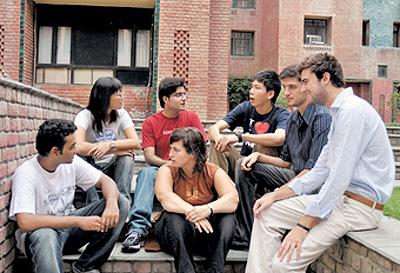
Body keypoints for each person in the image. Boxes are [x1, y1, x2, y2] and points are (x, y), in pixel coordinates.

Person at [245, 53, 395, 273]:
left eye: (306, 82)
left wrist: (303, 225)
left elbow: (338, 179)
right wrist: (275, 195)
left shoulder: (352, 113)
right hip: (340, 201)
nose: (303, 88)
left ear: (325, 78)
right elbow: (320, 171)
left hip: (358, 209)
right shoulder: (338, 113)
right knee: (266, 212)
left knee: (283, 264)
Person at [9, 119, 129, 273]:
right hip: (40, 236)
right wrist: (79, 221)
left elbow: (106, 181)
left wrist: (111, 204)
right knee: (45, 235)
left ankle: (84, 267)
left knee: (121, 202)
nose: (76, 149)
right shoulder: (26, 174)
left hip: (69, 231)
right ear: (55, 151)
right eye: (72, 146)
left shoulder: (72, 163)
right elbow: (25, 222)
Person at [232, 65, 332, 249]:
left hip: (314, 184)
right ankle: (246, 233)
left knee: (271, 204)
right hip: (294, 174)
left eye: (292, 87)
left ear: (305, 87)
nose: (286, 93)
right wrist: (258, 156)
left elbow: (314, 171)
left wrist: (277, 194)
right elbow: (286, 162)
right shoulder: (293, 120)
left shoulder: (322, 118)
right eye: (284, 87)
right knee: (243, 165)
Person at [122, 77, 207, 253]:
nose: (184, 98)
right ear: (166, 99)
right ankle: (137, 229)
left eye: (184, 94)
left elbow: (202, 149)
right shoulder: (151, 122)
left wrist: (183, 165)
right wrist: (169, 165)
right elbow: (149, 156)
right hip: (163, 170)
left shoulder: (191, 118)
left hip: (189, 171)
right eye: (178, 95)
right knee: (146, 173)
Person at [154, 128, 239, 273]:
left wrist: (207, 210)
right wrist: (193, 213)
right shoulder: (166, 170)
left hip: (204, 235)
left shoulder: (213, 171)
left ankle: (214, 270)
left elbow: (232, 199)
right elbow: (165, 197)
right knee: (173, 216)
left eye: (176, 150)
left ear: (192, 152)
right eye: (171, 149)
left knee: (228, 219)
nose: (170, 154)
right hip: (175, 236)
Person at [208, 70, 290, 179]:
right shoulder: (245, 108)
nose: (251, 91)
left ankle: (259, 192)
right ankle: (220, 188)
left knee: (262, 144)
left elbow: (279, 138)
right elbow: (213, 128)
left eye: (257, 88)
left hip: (266, 165)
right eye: (251, 87)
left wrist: (241, 137)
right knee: (216, 143)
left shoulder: (281, 114)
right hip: (242, 161)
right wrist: (219, 139)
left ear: (270, 94)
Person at [74, 76, 140, 204]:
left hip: (110, 167)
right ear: (105, 96)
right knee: (78, 156)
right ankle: (93, 201)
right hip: (90, 166)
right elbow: (77, 146)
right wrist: (111, 150)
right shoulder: (85, 116)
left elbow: (135, 142)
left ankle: (122, 201)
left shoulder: (121, 114)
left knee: (127, 156)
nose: (122, 97)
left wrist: (110, 145)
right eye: (118, 94)